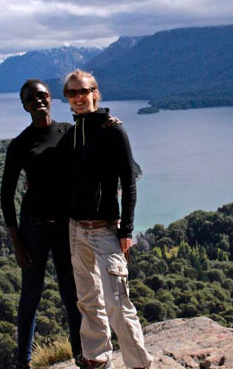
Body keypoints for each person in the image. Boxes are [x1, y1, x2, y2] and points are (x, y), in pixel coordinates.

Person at [60, 70, 153, 369]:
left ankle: (138, 363)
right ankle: (98, 358)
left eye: (83, 91)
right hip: (76, 229)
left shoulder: (113, 129)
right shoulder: (72, 134)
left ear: (95, 93)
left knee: (117, 302)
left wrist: (126, 229)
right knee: (87, 300)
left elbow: (129, 181)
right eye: (72, 93)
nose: (78, 97)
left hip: (104, 230)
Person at [0, 79, 82, 368]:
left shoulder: (68, 133)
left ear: (51, 99)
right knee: (30, 295)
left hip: (64, 227)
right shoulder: (20, 145)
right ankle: (23, 361)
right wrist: (17, 242)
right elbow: (6, 196)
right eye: (32, 98)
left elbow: (98, 144)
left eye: (43, 95)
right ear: (24, 105)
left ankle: (80, 354)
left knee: (71, 293)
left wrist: (111, 121)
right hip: (33, 227)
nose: (39, 101)